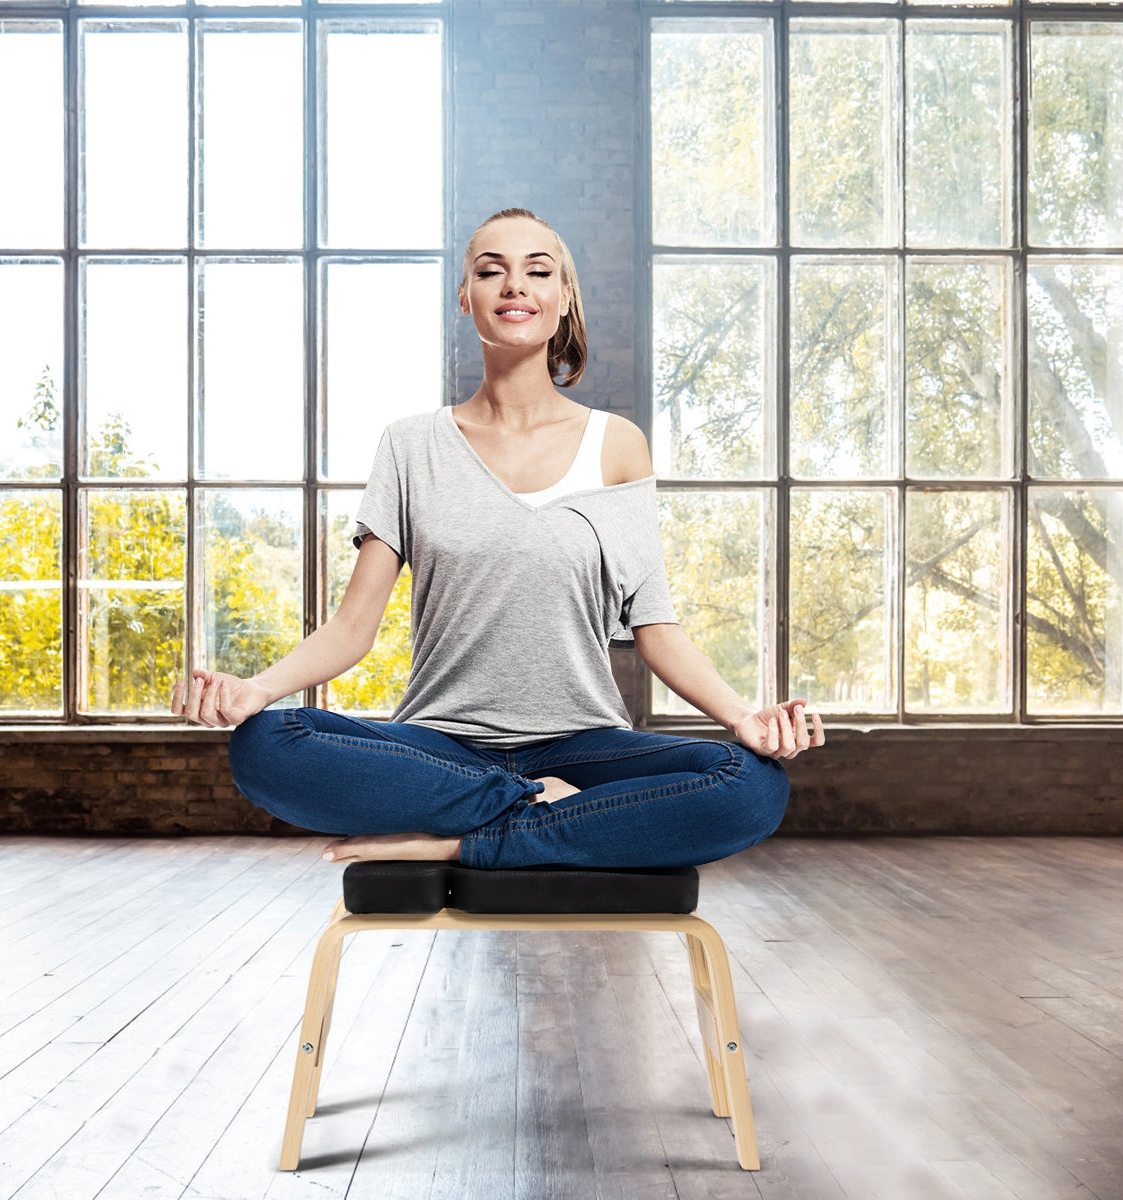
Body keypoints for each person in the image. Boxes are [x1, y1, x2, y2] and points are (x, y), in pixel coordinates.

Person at [172, 208, 824, 868]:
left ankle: (469, 840)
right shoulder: (410, 445)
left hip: (583, 741)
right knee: (266, 744)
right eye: (491, 271)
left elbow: (656, 627)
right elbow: (351, 629)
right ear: (466, 297)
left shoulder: (617, 445)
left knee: (751, 785)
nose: (515, 285)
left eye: (538, 271)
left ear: (563, 297)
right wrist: (257, 690)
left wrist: (742, 716)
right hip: (440, 746)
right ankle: (539, 807)